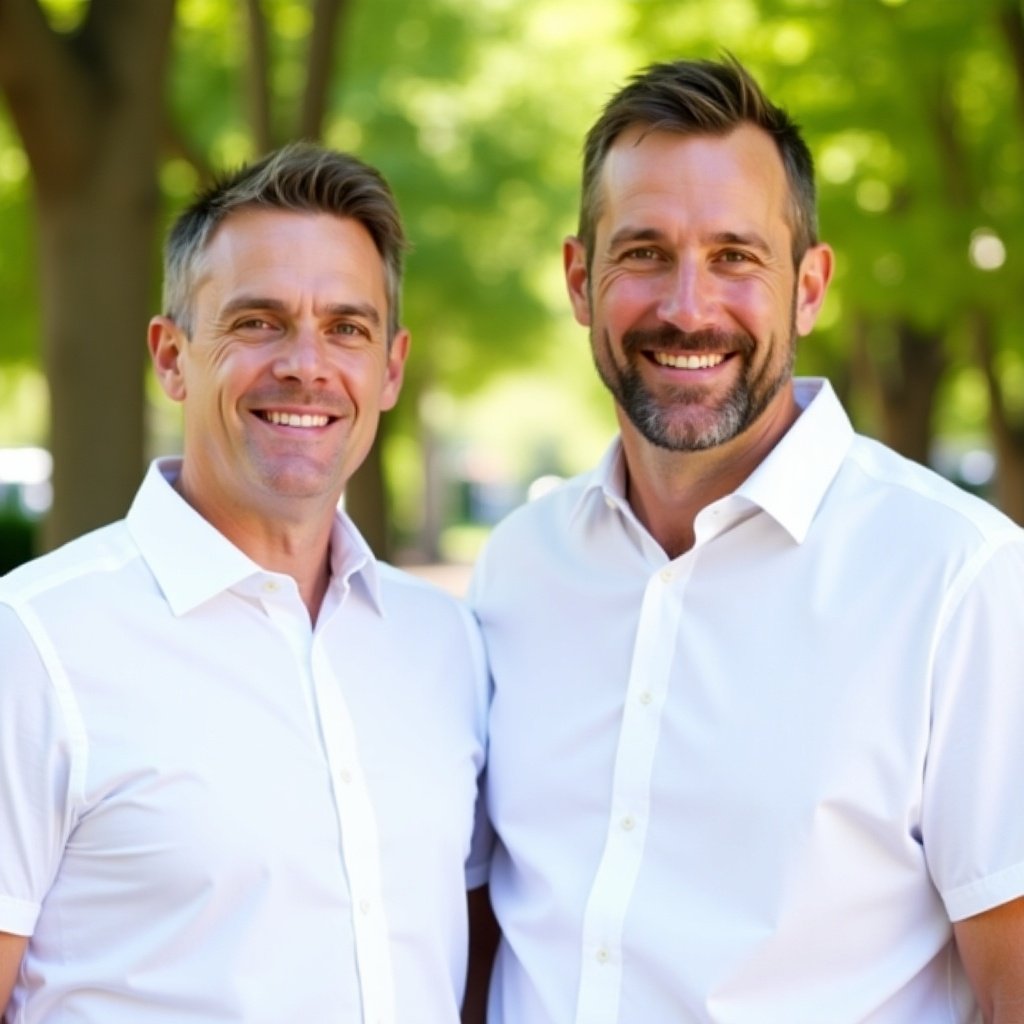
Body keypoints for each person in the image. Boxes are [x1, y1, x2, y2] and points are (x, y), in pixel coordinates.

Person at [469, 56, 1024, 1023]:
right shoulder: (518, 568)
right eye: (643, 253)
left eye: (736, 257)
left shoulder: (958, 579)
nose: (690, 306)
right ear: (579, 278)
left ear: (808, 287)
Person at [0, 143, 492, 1023]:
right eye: (258, 321)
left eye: (347, 327)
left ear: (391, 368)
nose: (307, 364)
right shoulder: (34, 645)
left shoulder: (444, 646)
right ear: (171, 355)